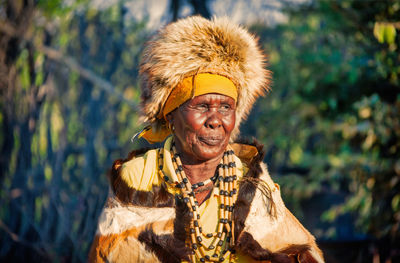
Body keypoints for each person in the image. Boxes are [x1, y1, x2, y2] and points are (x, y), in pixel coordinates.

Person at [89, 16, 324, 263]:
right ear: (171, 115)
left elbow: (299, 251)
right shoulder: (138, 178)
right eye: (201, 106)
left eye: (225, 107)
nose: (215, 120)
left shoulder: (252, 184)